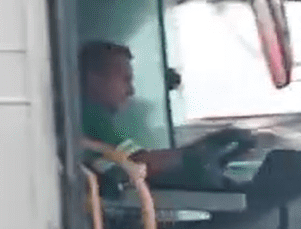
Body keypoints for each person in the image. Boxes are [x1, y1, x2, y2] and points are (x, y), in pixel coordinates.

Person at [79, 40, 250, 181]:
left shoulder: (96, 120)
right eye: (125, 80)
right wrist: (201, 149)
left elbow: (138, 160)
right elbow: (139, 164)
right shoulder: (89, 117)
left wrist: (201, 148)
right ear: (93, 78)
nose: (131, 91)